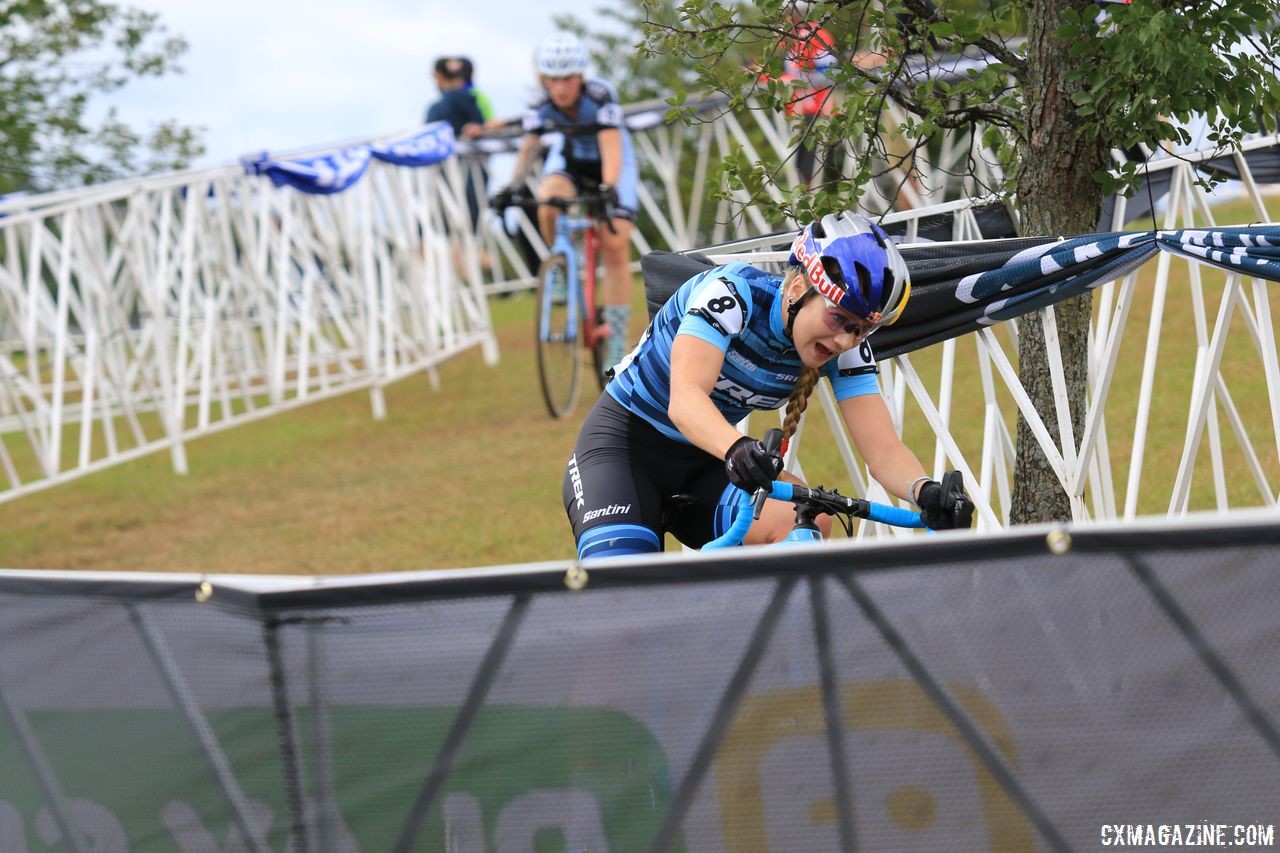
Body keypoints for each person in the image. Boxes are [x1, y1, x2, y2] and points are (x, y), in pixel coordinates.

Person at [563, 211, 975, 560]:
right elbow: (685, 401)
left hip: (708, 463)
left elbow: (883, 450)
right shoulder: (730, 296)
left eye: (862, 330)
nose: (846, 341)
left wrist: (925, 492)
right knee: (621, 608)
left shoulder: (846, 348)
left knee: (805, 518)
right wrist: (736, 448)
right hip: (623, 451)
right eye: (838, 320)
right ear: (798, 288)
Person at [493, 32, 640, 373]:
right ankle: (560, 261)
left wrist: (609, 187)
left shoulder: (600, 96)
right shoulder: (539, 103)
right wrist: (512, 186)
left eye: (568, 78)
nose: (561, 88)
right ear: (543, 78)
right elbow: (530, 148)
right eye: (553, 79)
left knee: (615, 242)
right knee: (548, 200)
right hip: (572, 161)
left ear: (581, 76)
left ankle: (616, 338)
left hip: (610, 162)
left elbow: (611, 149)